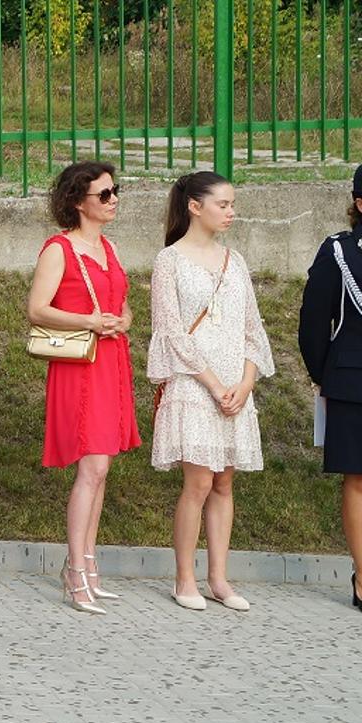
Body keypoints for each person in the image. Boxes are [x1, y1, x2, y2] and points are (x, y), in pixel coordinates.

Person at [150, 172, 273, 612]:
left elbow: (252, 329)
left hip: (235, 385)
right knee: (199, 481)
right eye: (222, 204)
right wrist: (215, 384)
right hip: (194, 383)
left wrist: (245, 382)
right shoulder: (170, 260)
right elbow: (170, 332)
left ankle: (219, 578)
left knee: (224, 482)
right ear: (194, 206)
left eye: (233, 204)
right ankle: (185, 577)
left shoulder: (235, 260)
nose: (230, 212)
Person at [27, 161, 140, 615]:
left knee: (102, 468)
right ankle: (75, 568)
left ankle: (88, 566)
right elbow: (37, 309)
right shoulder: (59, 248)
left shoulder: (107, 247)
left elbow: (123, 303)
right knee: (91, 468)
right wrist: (89, 322)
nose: (113, 200)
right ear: (78, 202)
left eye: (115, 192)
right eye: (104, 194)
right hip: (80, 363)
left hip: (111, 359)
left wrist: (122, 319)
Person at [298, 165, 362, 614]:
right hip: (354, 381)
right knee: (358, 478)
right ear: (360, 203)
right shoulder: (339, 252)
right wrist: (324, 374)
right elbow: (313, 321)